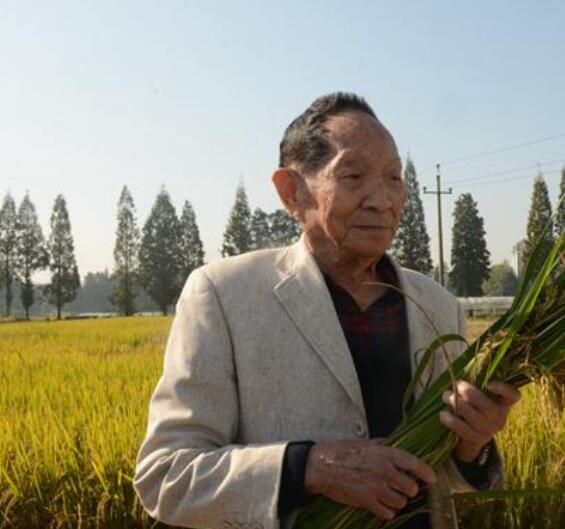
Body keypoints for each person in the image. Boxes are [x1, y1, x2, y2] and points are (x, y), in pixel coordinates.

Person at [133, 93, 521, 529]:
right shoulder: (225, 295)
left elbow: (445, 476)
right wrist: (310, 468)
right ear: (292, 191)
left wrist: (474, 445)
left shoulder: (438, 306)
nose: (382, 199)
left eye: (394, 178)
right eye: (353, 176)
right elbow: (166, 476)